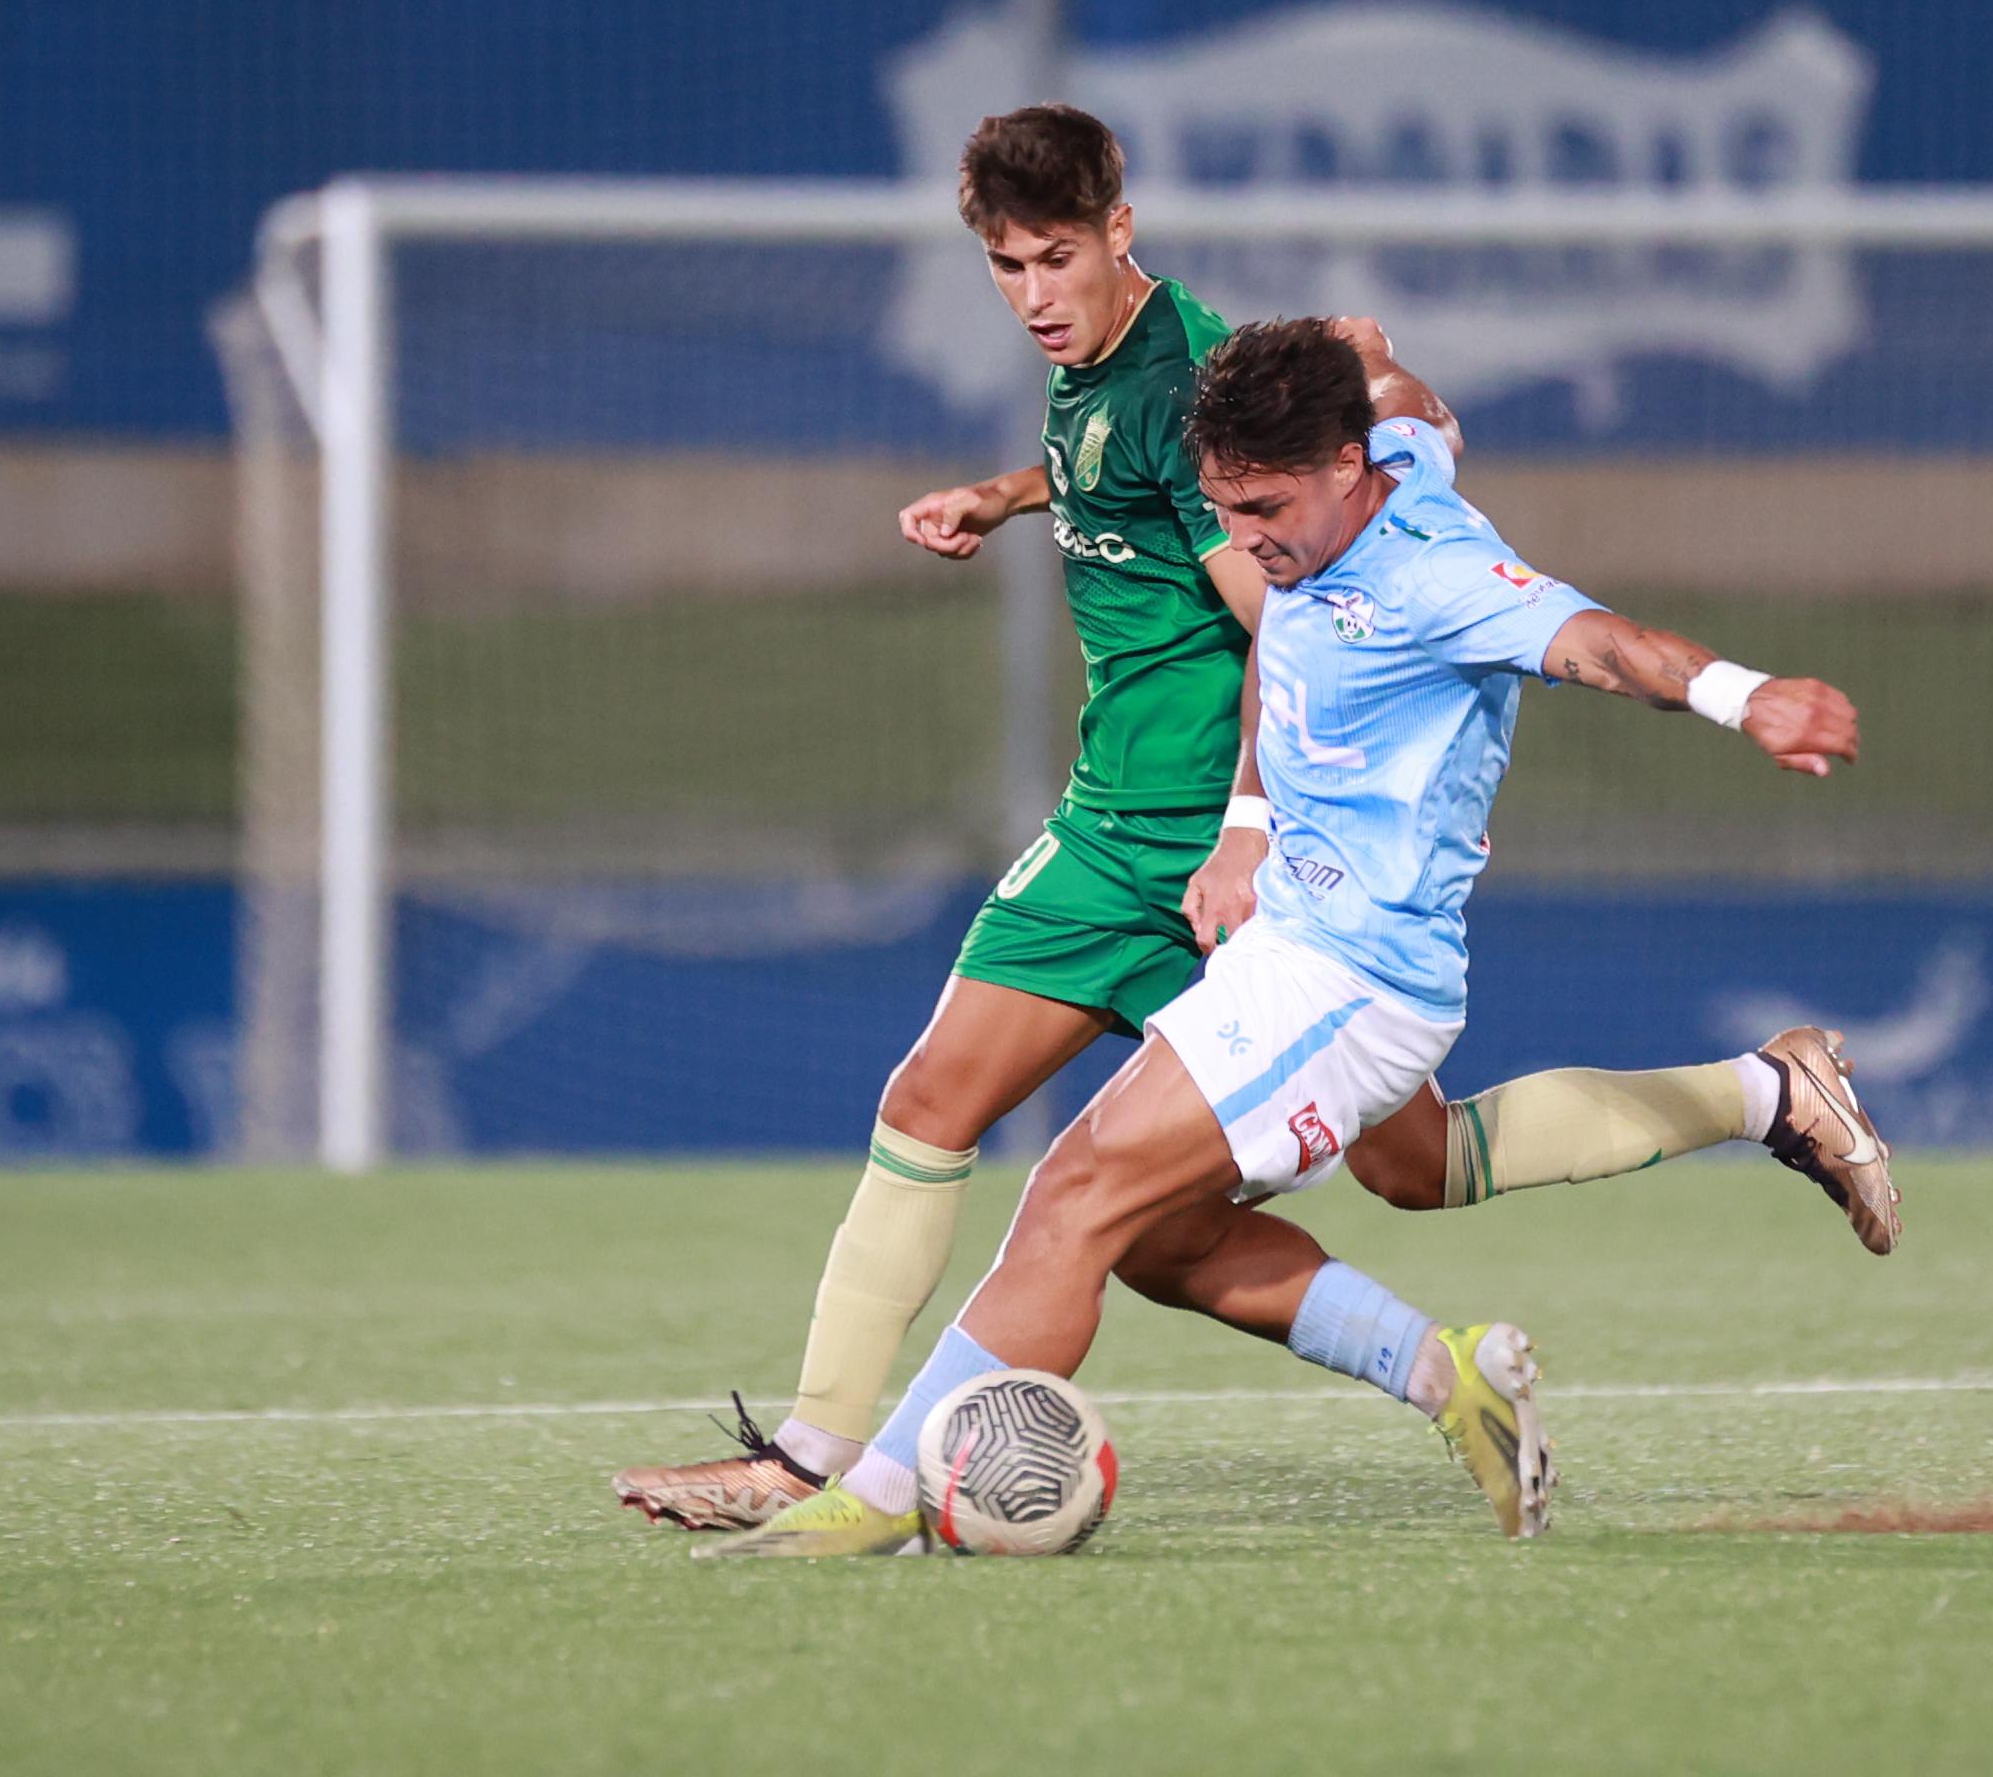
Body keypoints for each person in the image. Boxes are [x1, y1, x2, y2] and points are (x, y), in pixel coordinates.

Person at [619, 110, 1889, 1533]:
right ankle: (1739, 1122)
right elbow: (1350, 409)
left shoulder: (1372, 537)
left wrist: (1743, 694)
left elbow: (1526, 638)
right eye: (1005, 264)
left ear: (1121, 229)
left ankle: (851, 1494)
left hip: (1266, 897)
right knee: (1281, 1181)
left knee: (1123, 1196)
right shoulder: (1251, 414)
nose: (1034, 290)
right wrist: (1020, 491)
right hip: (1223, 876)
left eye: (1057, 257)